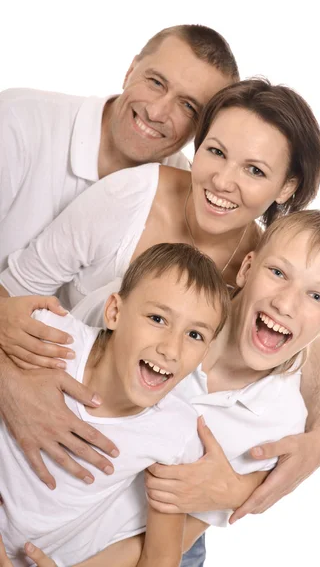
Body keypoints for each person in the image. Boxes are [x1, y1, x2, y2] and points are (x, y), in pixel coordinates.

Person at [0, 78, 320, 567]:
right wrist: (13, 383)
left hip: (143, 508)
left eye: (255, 170)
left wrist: (319, 435)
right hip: (50, 451)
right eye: (215, 152)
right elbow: (18, 289)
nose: (222, 181)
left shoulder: (265, 264)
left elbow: (305, 341)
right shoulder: (132, 198)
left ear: (286, 188)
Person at [0, 210, 320, 567]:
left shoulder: (277, 427)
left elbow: (171, 545)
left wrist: (242, 488)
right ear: (247, 268)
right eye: (277, 272)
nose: (285, 303)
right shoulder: (156, 296)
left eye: (316, 297)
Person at [0, 242, 230, 566]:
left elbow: (161, 558)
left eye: (194, 335)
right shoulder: (49, 338)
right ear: (115, 312)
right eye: (158, 318)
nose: (171, 349)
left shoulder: (175, 432)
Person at [0, 24, 239, 271]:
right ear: (130, 71)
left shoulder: (189, 192)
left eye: (188, 106)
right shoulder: (17, 119)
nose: (156, 112)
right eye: (156, 82)